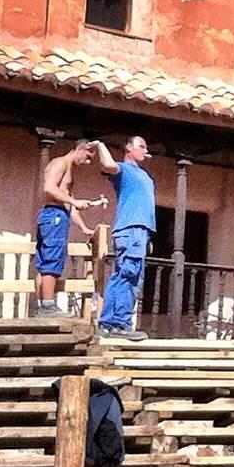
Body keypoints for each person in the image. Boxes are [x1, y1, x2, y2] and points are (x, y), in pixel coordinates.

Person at [33, 137, 107, 317]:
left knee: (45, 262)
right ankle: (48, 306)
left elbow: (69, 204)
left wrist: (83, 227)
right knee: (51, 260)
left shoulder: (69, 169)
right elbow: (49, 188)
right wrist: (74, 200)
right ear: (80, 149)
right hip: (54, 216)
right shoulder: (60, 163)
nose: (88, 162)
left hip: (57, 215)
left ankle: (43, 305)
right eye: (88, 156)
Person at [94, 135, 158, 340]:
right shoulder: (124, 169)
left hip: (140, 231)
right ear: (129, 148)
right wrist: (100, 145)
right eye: (141, 146)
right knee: (127, 275)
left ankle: (112, 323)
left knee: (129, 276)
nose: (145, 150)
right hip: (130, 230)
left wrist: (147, 236)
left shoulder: (144, 176)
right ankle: (117, 323)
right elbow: (107, 164)